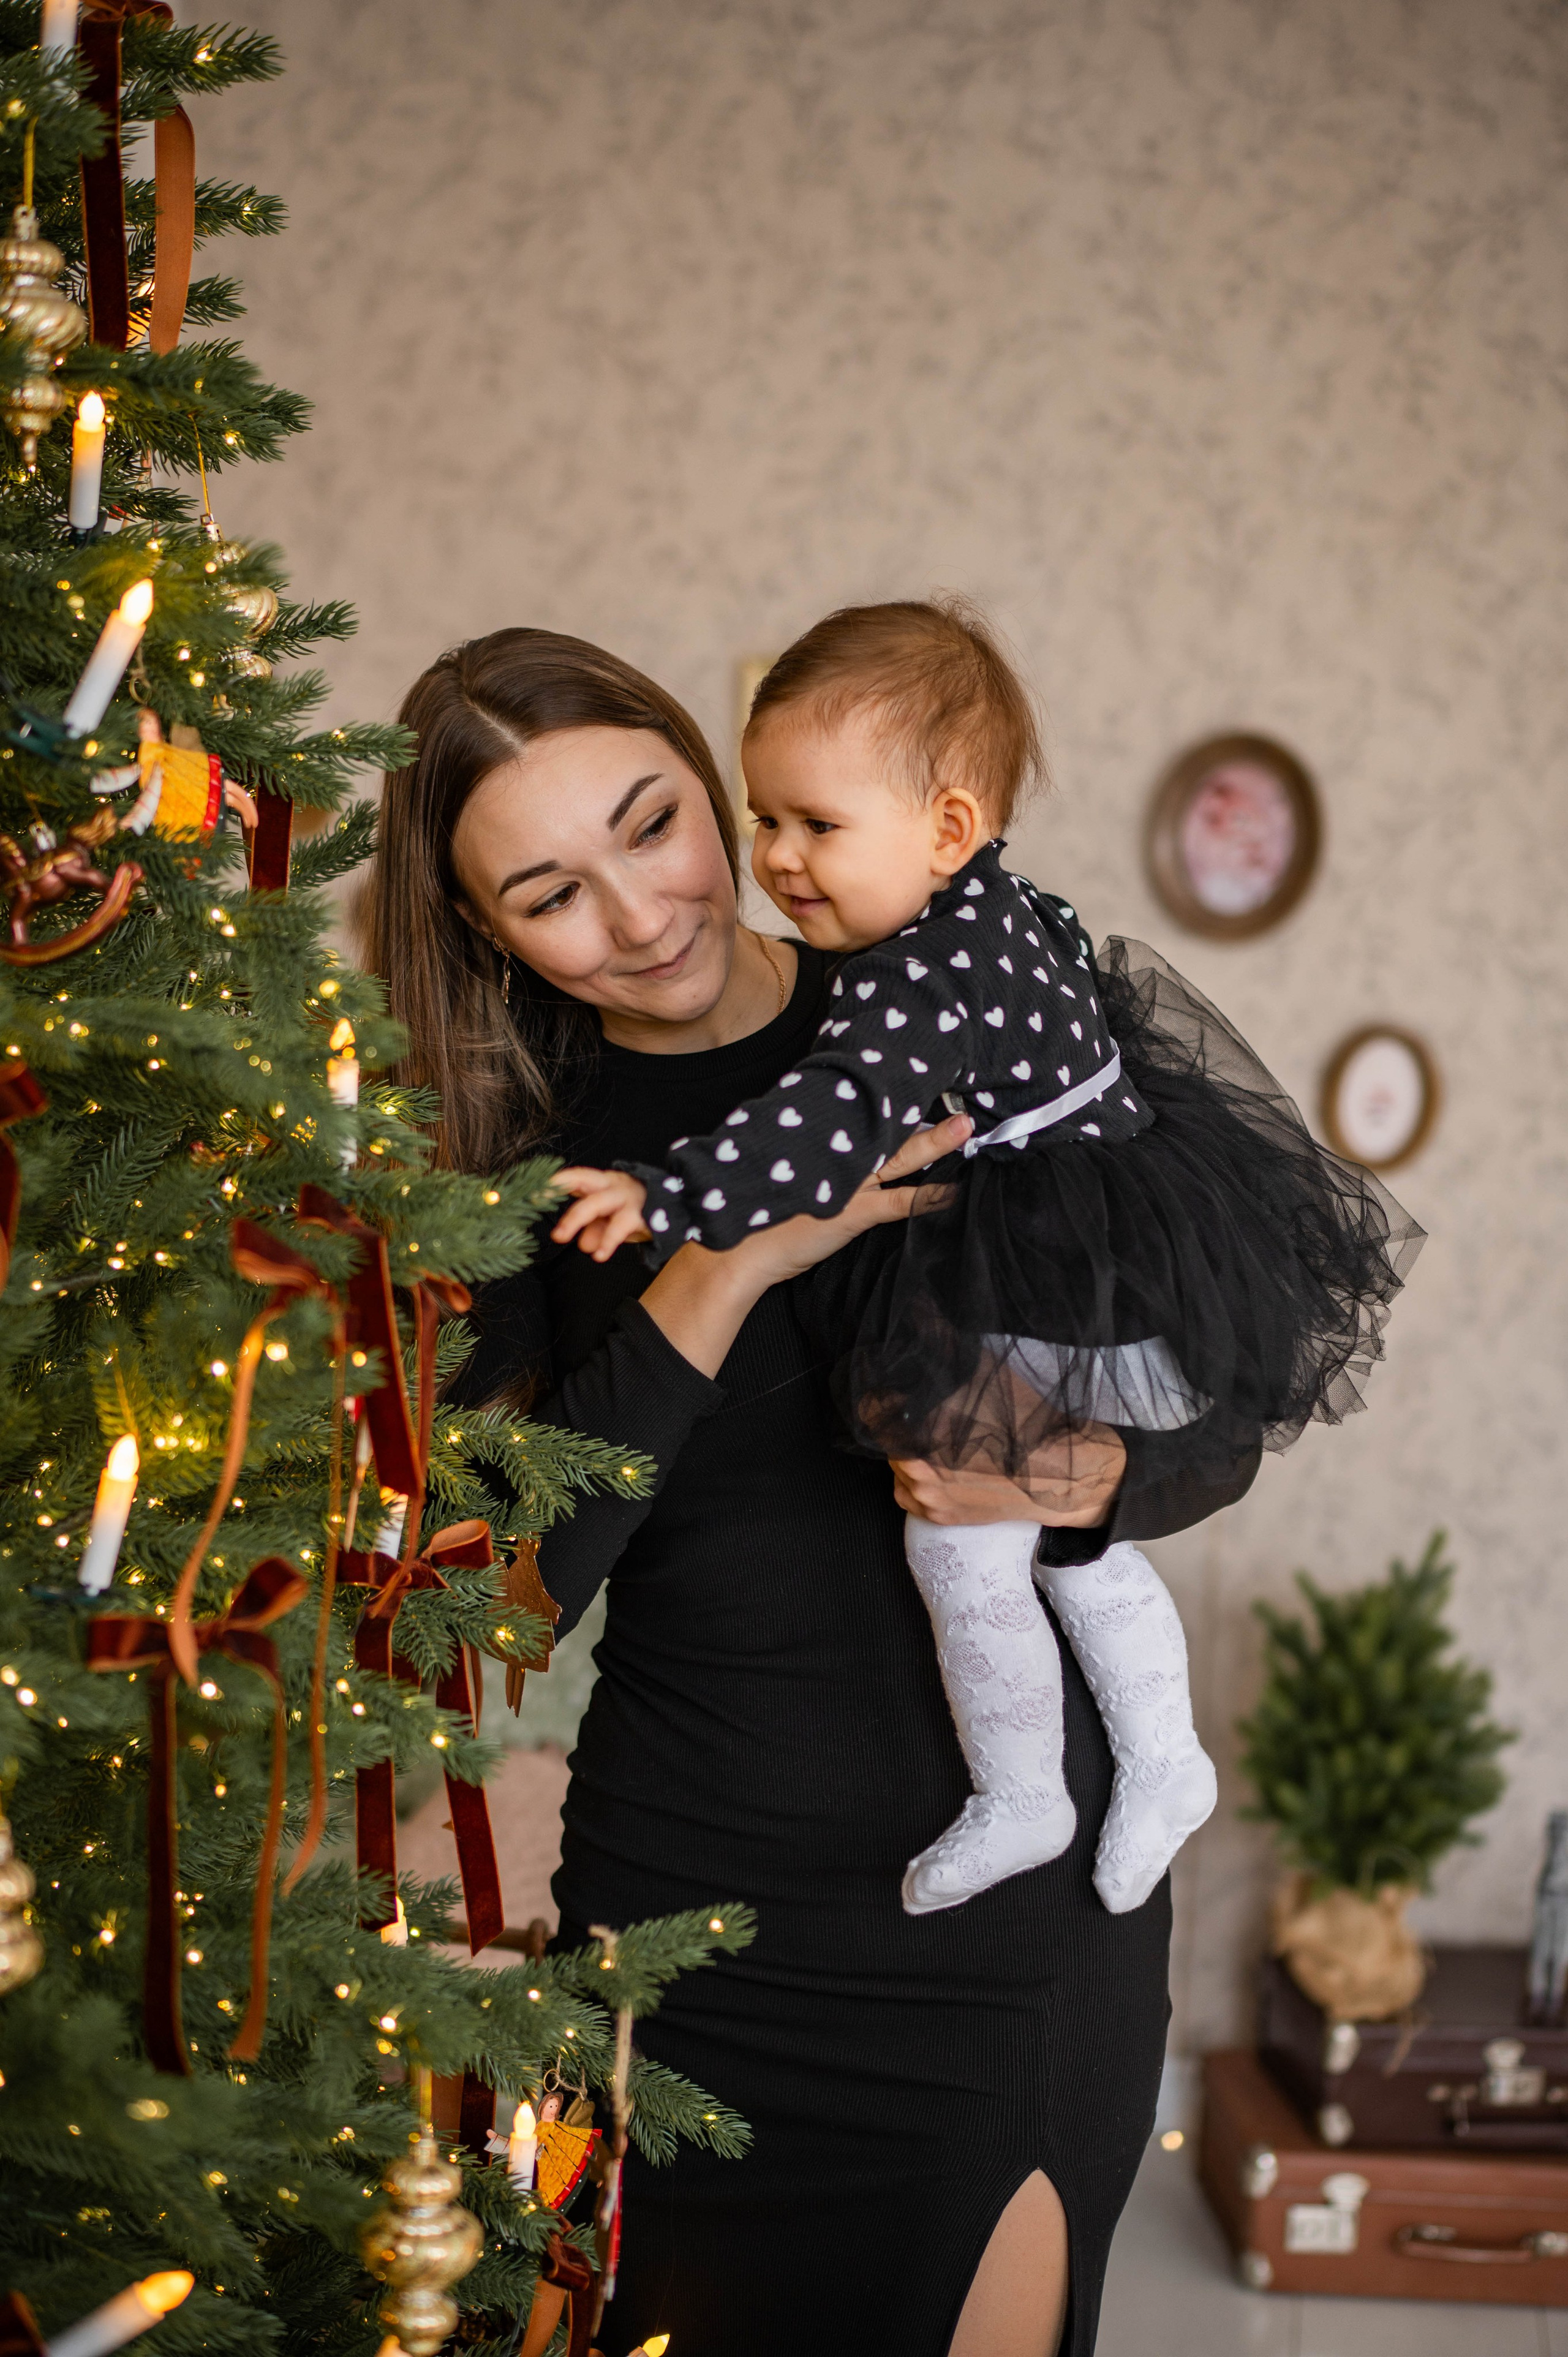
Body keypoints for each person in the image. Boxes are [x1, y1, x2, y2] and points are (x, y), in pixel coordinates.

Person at [366, 625, 1264, 2357]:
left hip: (1031, 1892)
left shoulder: (948, 1002)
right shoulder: (504, 1165)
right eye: (550, 892)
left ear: (725, 788)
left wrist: (1101, 1470)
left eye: (654, 824)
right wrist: (728, 1267)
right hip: (717, 1920)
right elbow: (507, 1592)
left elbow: (1202, 1373)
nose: (639, 915)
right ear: (483, 932)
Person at [551, 600, 1423, 1923]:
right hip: (1127, 1255)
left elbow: (831, 1118)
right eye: (763, 818)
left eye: (815, 826)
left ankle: (1027, 1789)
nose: (776, 859)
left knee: (968, 1546)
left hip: (1057, 1276)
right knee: (1065, 1552)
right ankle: (1162, 1758)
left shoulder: (912, 978)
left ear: (947, 830)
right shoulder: (1016, 912)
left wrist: (665, 1191)